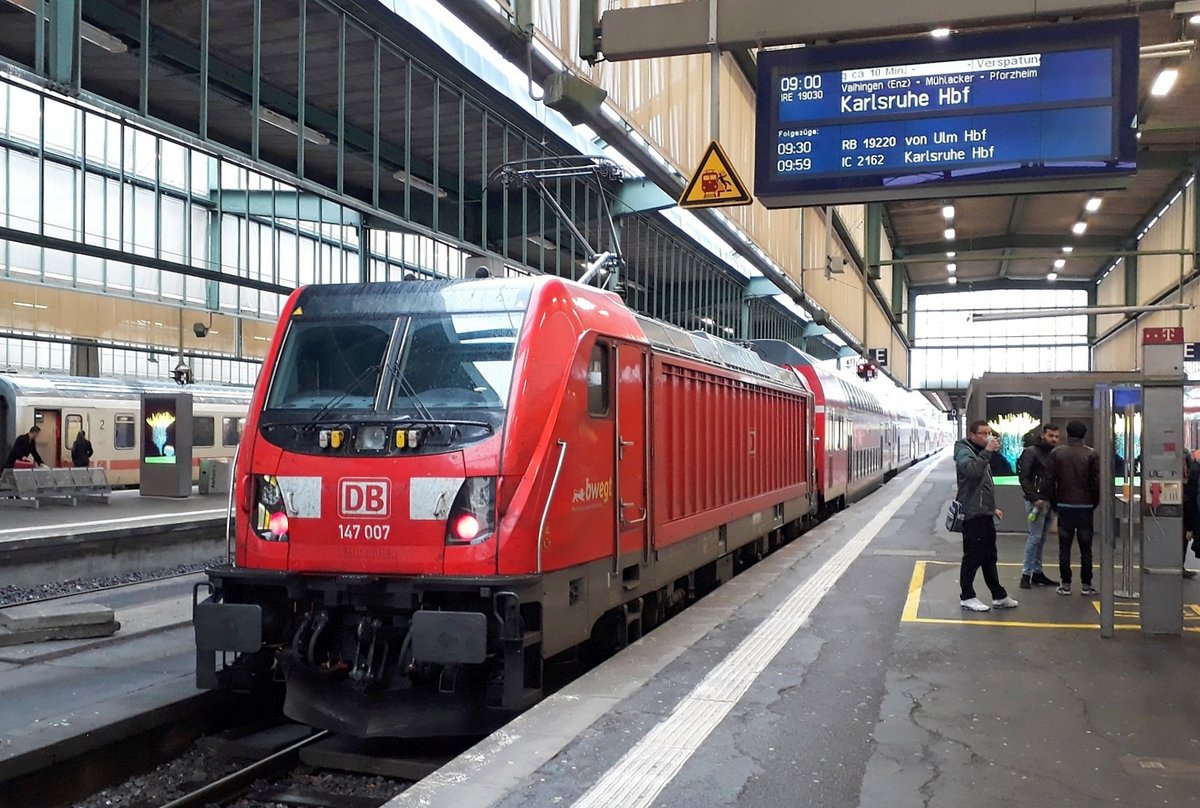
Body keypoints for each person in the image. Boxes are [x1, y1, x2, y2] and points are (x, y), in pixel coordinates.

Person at [954, 420, 1018, 612]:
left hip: (984, 512)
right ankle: (967, 596)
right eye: (982, 433)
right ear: (972, 435)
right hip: (972, 513)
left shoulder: (980, 452)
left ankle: (998, 595)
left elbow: (984, 485)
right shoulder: (964, 451)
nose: (987, 437)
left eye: (989, 433)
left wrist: (992, 507)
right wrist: (988, 451)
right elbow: (972, 472)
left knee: (989, 555)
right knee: (973, 556)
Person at [1046, 420, 1100, 596]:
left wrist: (1054, 502)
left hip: (1064, 504)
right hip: (1085, 505)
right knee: (1086, 546)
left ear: (1067, 434)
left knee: (1064, 546)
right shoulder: (1091, 454)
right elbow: (1096, 482)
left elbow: (1050, 480)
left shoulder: (1057, 453)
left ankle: (1065, 583)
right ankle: (1087, 583)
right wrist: (1093, 502)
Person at [1016, 423, 1061, 589]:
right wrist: (1034, 498)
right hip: (1037, 502)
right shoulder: (1032, 452)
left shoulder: (1053, 453)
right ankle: (1027, 574)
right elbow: (1024, 477)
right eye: (1051, 436)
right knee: (1035, 538)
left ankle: (1036, 572)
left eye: (1056, 436)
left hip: (1048, 501)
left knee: (1040, 539)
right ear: (1043, 435)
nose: (1054, 439)